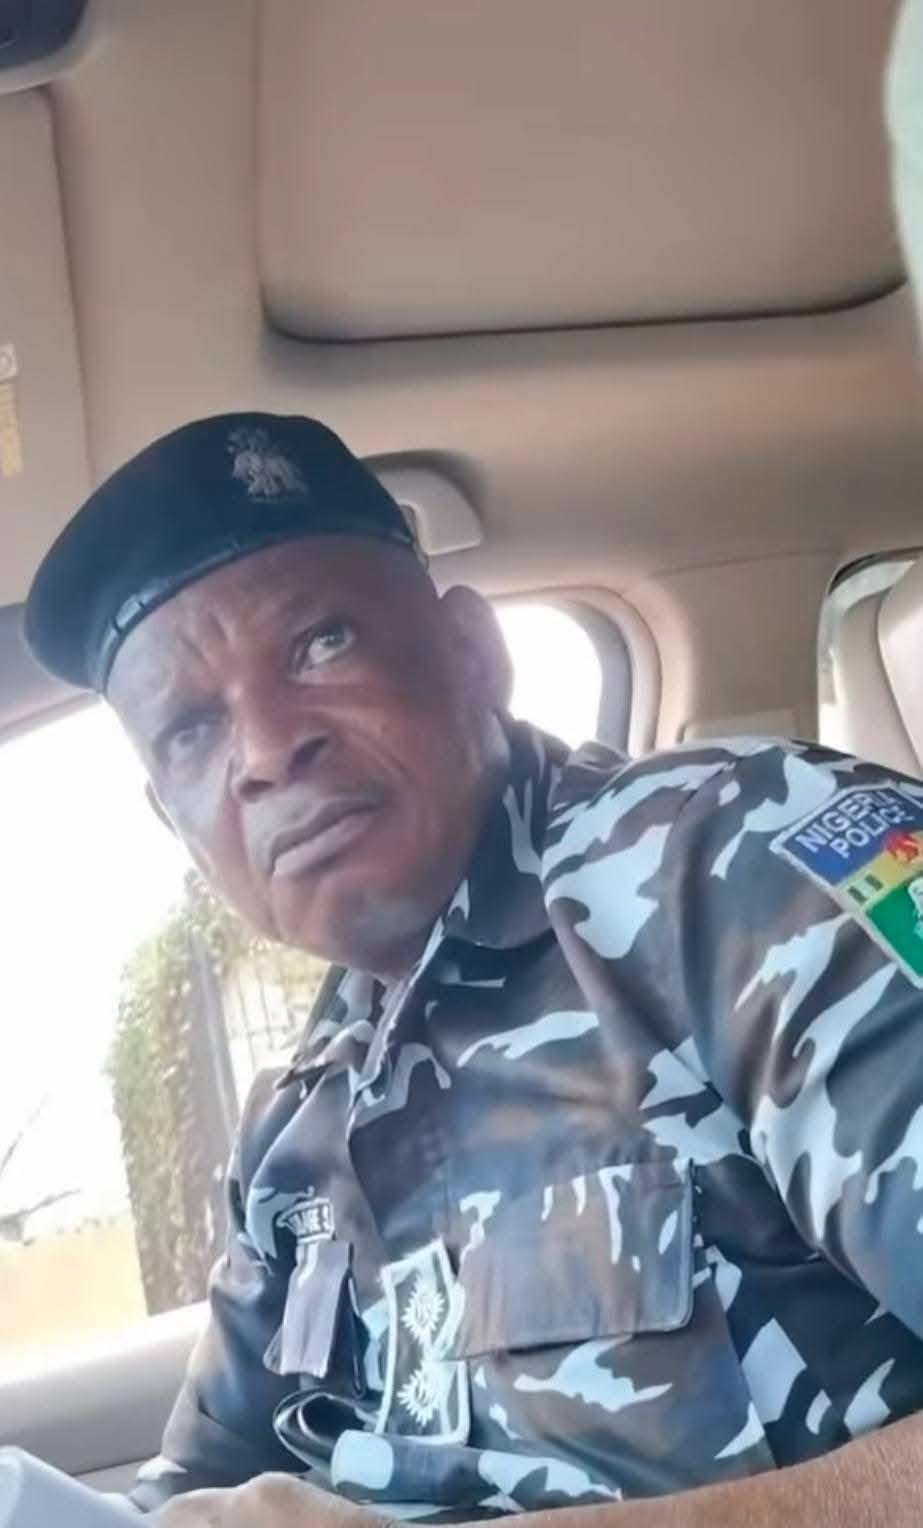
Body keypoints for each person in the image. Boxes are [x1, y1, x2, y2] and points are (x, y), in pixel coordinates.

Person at [21, 13, 923, 1516]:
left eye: (320, 643)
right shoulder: (299, 1127)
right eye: (192, 731)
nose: (268, 747)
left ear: (469, 654)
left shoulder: (744, 867)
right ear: (175, 823)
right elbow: (195, 1496)